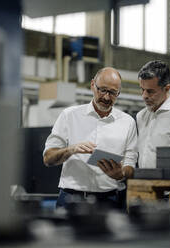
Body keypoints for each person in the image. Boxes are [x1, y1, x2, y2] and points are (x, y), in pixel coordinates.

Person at [43, 67, 138, 209]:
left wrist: (121, 173)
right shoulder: (69, 116)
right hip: (71, 200)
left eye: (112, 93)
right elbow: (48, 159)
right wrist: (71, 150)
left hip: (110, 201)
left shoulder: (128, 122)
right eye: (102, 90)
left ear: (119, 93)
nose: (106, 97)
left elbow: (131, 164)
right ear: (93, 84)